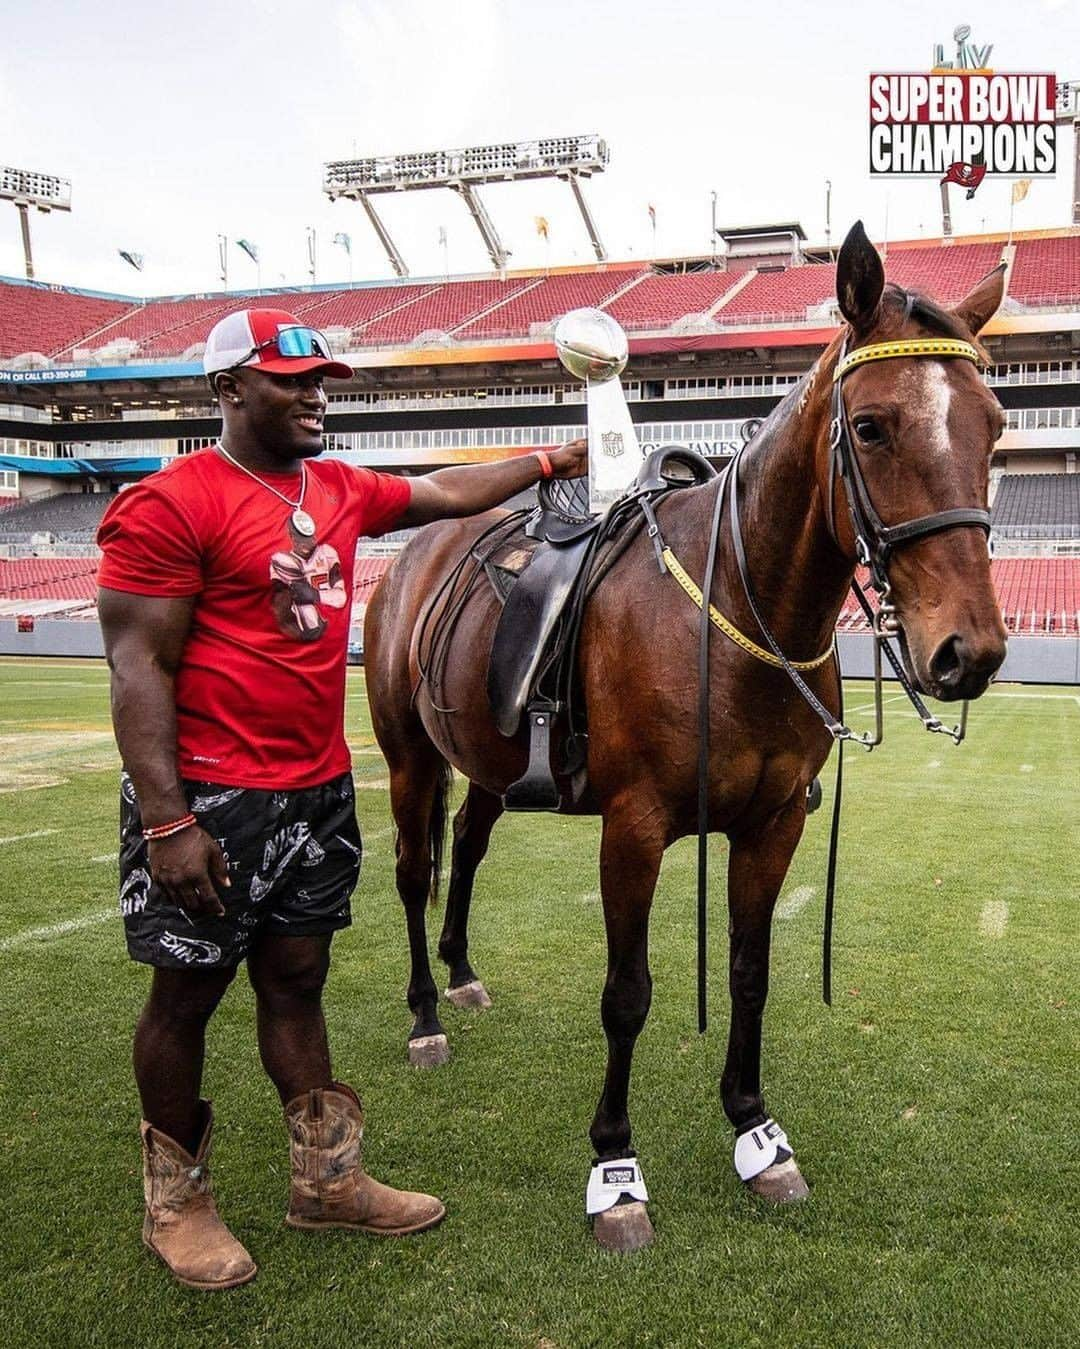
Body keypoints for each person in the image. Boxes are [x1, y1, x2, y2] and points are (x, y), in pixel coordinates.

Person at [96, 307, 587, 1291]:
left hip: (314, 790)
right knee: (185, 996)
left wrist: (551, 460)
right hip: (210, 796)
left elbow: (446, 489)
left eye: (323, 376)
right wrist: (167, 821)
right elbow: (136, 666)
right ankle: (176, 1200)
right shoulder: (169, 502)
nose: (317, 390)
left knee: (297, 977)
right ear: (230, 388)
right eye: (292, 377)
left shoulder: (337, 486)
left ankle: (326, 1179)